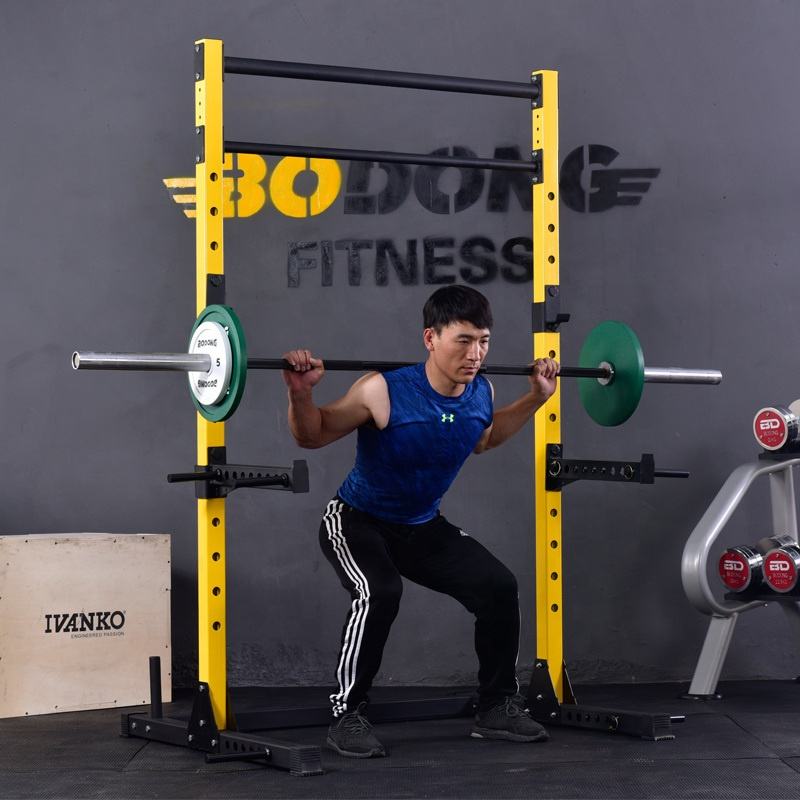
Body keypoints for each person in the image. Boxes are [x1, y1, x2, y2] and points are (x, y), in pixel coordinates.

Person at [282, 285, 558, 758]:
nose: (475, 354)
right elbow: (314, 435)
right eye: (463, 341)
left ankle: (496, 706)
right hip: (357, 520)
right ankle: (347, 714)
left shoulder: (481, 391)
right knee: (380, 591)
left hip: (421, 525)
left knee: (498, 587)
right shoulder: (382, 390)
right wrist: (301, 393)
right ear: (430, 338)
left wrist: (536, 397)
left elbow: (484, 438)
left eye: (483, 342)